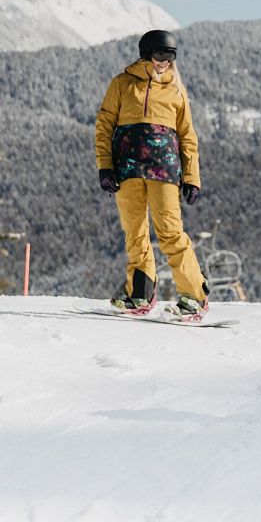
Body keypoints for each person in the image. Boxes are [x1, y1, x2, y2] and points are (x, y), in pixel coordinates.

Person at [94, 30, 210, 319]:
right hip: (128, 168)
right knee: (135, 232)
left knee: (170, 231)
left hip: (164, 170)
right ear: (146, 54)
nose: (166, 62)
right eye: (161, 55)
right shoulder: (122, 84)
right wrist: (105, 166)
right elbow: (104, 127)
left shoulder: (175, 91)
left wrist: (192, 176)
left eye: (171, 57)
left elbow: (187, 136)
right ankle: (140, 293)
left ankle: (194, 296)